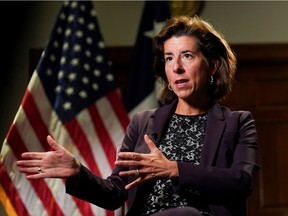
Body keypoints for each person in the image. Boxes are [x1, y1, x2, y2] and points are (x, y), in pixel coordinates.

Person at [16, 16, 260, 216]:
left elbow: (241, 180)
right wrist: (78, 172)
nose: (176, 67)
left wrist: (175, 169)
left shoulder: (237, 122)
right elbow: (115, 193)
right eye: (169, 58)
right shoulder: (143, 122)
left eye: (187, 55)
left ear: (213, 65)